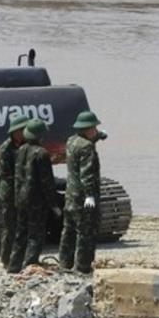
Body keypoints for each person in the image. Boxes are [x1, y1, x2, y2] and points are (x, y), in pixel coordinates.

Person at [7, 118, 60, 273]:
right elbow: (47, 182)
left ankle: (14, 265)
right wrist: (54, 204)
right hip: (36, 200)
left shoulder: (21, 150)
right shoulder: (41, 153)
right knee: (36, 234)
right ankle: (30, 264)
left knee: (20, 233)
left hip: (21, 199)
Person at [59, 110, 107, 274]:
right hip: (83, 197)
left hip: (70, 195)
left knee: (69, 230)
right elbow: (88, 174)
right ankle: (83, 267)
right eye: (93, 127)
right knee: (86, 232)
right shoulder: (87, 148)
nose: (95, 130)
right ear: (87, 129)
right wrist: (90, 195)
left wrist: (100, 136)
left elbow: (90, 137)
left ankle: (65, 263)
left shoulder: (71, 141)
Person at [0, 113, 31, 267]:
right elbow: (6, 174)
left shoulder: (26, 145)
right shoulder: (5, 149)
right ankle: (6, 259)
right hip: (10, 192)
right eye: (22, 130)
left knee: (23, 226)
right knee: (10, 227)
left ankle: (20, 257)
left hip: (22, 191)